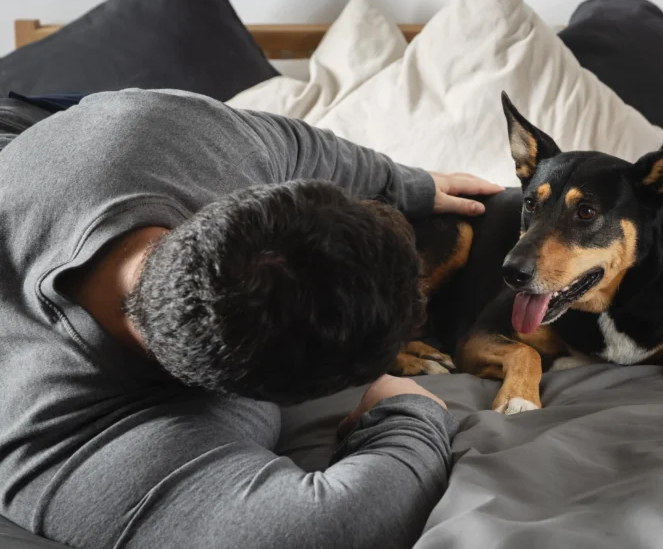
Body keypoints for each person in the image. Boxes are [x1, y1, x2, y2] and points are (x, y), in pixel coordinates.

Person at [0, 89, 503, 549]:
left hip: (61, 145)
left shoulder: (166, 128)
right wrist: (409, 414)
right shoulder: (62, 443)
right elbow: (332, 528)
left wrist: (407, 183)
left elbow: (293, 144)